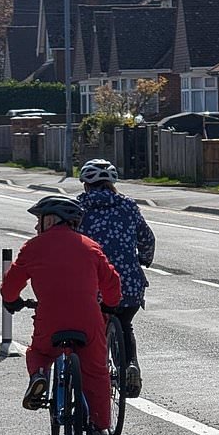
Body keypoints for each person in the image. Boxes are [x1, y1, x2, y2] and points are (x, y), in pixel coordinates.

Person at [1, 196, 122, 435]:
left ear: (52, 220)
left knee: (40, 352)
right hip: (88, 318)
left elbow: (11, 284)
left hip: (50, 318)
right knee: (96, 370)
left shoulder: (33, 247)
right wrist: (109, 305)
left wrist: (12, 301)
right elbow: (112, 282)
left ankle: (40, 377)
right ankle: (98, 427)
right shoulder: (90, 246)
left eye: (39, 221)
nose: (36, 227)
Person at [76, 159, 156, 398]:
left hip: (93, 283)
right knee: (125, 324)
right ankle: (130, 364)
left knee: (93, 331)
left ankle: (96, 376)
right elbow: (147, 238)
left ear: (85, 185)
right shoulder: (128, 206)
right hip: (128, 283)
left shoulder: (78, 208)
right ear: (112, 183)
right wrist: (144, 259)